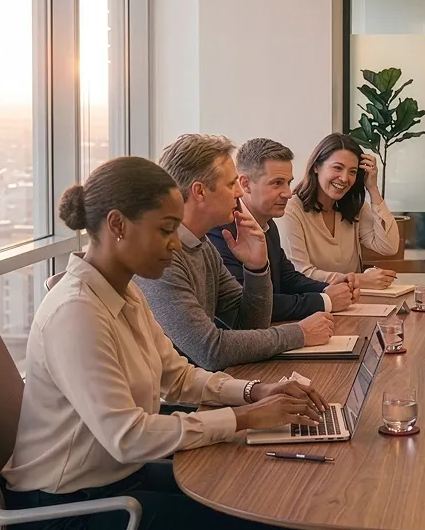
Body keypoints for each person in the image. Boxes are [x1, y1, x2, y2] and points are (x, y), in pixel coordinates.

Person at [0, 157, 346, 530]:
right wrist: (245, 418)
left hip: (115, 480)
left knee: (256, 503)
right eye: (165, 229)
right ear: (118, 225)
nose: (173, 244)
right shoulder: (77, 313)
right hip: (66, 517)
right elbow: (128, 436)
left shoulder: (124, 291)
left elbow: (178, 377)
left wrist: (256, 391)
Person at [137, 134, 334, 372]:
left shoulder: (201, 245)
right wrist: (299, 333)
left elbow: (249, 324)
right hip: (173, 403)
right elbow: (210, 351)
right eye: (231, 185)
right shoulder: (160, 257)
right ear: (199, 192)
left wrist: (256, 268)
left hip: (205, 386)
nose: (239, 193)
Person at [207, 138, 358, 322]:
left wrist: (327, 287)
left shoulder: (267, 223)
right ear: (245, 184)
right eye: (277, 183)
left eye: (288, 182)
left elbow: (287, 277)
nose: (288, 193)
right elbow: (250, 306)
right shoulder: (221, 231)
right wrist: (324, 301)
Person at [278, 133, 400, 289]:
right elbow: (300, 273)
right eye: (337, 168)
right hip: (314, 305)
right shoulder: (291, 209)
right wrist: (359, 280)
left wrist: (373, 188)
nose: (344, 178)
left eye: (352, 172)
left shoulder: (355, 206)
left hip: (354, 303)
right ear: (316, 166)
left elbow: (388, 247)